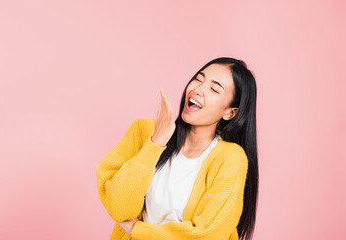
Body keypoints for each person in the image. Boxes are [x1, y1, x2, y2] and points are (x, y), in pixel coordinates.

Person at [96, 57, 259, 240]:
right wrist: (155, 144)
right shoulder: (145, 132)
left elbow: (207, 234)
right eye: (198, 79)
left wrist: (138, 230)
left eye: (214, 89)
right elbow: (119, 207)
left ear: (230, 112)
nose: (198, 89)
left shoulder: (230, 158)